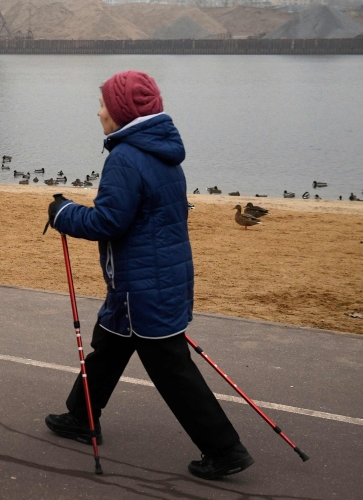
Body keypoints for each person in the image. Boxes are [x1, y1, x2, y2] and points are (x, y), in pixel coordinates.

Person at [44, 70, 253, 480]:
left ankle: (225, 450)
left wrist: (63, 212)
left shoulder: (125, 156)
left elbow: (108, 223)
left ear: (121, 111)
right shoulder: (160, 152)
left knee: (171, 368)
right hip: (157, 278)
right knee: (109, 345)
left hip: (143, 287)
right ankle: (80, 416)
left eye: (103, 103)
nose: (98, 111)